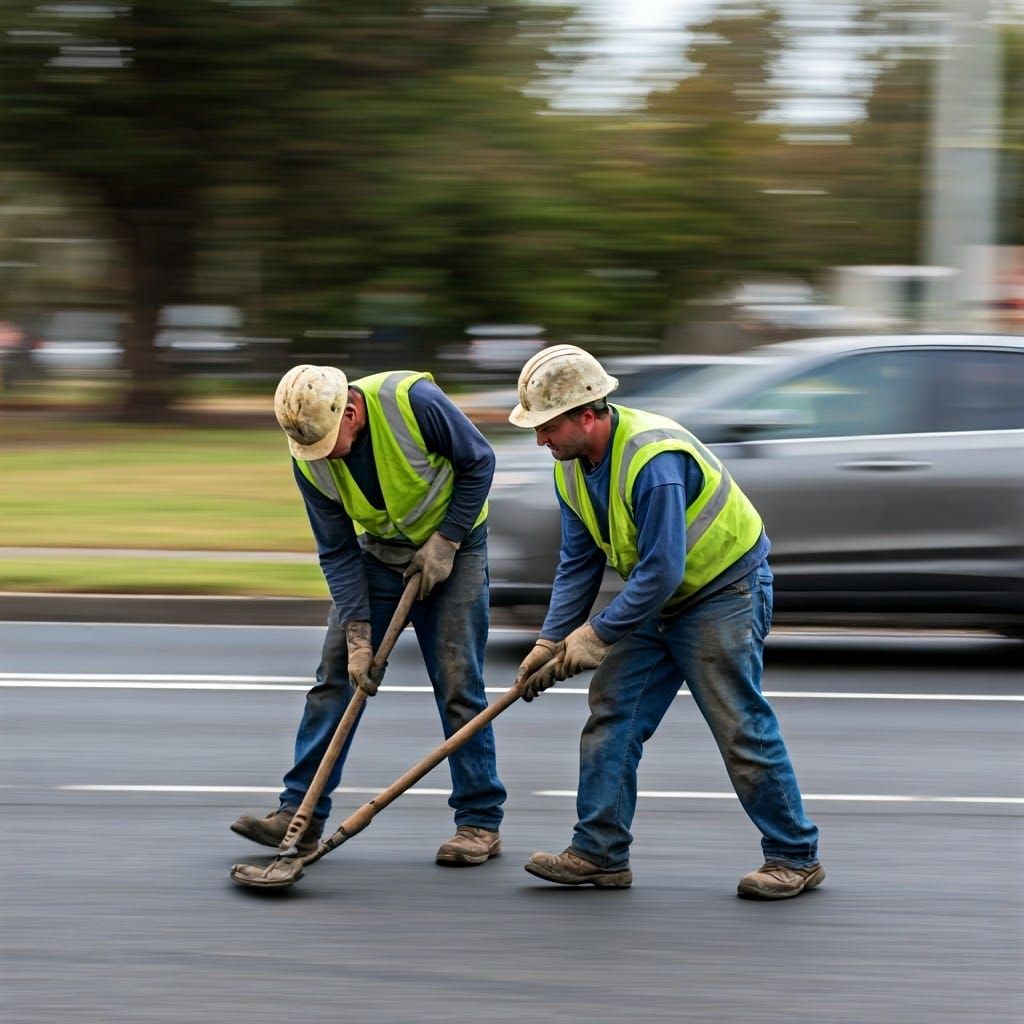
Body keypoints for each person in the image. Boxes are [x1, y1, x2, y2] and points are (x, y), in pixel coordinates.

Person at [509, 345, 822, 899]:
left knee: (738, 724)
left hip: (723, 591)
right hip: (656, 599)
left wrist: (598, 633)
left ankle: (794, 857)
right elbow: (578, 562)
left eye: (547, 427)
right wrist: (551, 638)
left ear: (587, 413)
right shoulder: (572, 469)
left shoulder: (654, 460)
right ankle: (599, 853)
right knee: (613, 714)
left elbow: (661, 568)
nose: (540, 440)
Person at [231, 364, 506, 865]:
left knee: (458, 681)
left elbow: (480, 462)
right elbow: (335, 551)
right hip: (378, 555)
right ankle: (300, 814)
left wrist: (446, 540)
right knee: (336, 676)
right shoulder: (308, 454)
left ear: (351, 413)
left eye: (328, 443)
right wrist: (358, 635)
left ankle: (479, 822)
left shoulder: (413, 402)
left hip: (456, 550)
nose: (322, 456)